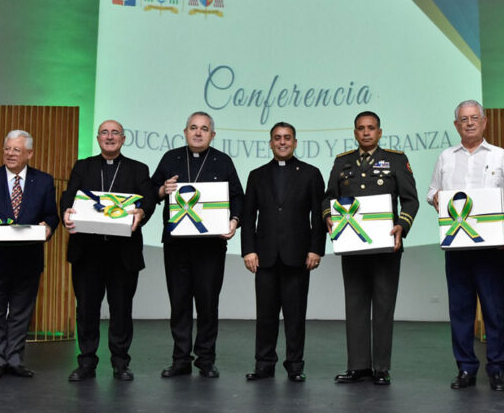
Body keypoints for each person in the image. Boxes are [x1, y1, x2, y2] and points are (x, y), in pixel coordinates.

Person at [426, 100, 504, 391]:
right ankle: (465, 368)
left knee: (494, 310)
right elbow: (431, 192)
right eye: (463, 119)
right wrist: (437, 198)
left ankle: (497, 368)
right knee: (461, 311)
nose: (469, 123)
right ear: (456, 125)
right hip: (457, 247)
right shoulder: (445, 157)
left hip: (492, 248)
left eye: (474, 118)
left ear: (484, 121)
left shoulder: (502, 157)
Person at [323, 111, 418, 385]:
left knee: (384, 307)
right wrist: (328, 216)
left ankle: (381, 367)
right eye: (361, 128)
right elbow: (329, 197)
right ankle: (358, 366)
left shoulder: (396, 160)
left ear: (379, 132)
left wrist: (403, 225)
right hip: (352, 246)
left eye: (371, 128)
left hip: (387, 246)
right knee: (355, 306)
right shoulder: (342, 162)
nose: (366, 132)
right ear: (355, 133)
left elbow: (410, 200)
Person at [59, 120, 156, 382]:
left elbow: (148, 198)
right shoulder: (83, 166)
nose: (110, 137)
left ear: (124, 139)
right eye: (105, 132)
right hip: (87, 252)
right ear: (98, 138)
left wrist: (142, 211)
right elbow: (69, 195)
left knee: (121, 310)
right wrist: (65, 211)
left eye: (115, 133)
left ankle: (121, 363)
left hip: (122, 254)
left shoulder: (138, 169)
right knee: (86, 310)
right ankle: (86, 362)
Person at [152, 111, 244, 379]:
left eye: (204, 129)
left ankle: (206, 359)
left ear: (212, 135)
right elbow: (151, 189)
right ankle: (180, 359)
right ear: (185, 131)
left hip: (210, 248)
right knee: (179, 303)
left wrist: (234, 221)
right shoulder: (171, 159)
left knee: (207, 304)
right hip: (177, 246)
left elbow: (238, 197)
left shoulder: (223, 161)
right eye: (193, 127)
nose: (198, 132)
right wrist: (161, 190)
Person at [0, 129, 59, 379]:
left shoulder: (45, 181)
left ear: (29, 153)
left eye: (16, 149)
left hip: (29, 259)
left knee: (21, 313)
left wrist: (48, 227)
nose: (10, 153)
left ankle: (15, 359)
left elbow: (51, 215)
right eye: (7, 148)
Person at [240, 122, 326, 382]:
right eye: (277, 138)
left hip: (298, 256)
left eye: (287, 138)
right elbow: (248, 215)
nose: (282, 142)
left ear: (295, 142)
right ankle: (264, 365)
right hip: (264, 257)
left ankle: (295, 366)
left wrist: (316, 249)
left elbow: (318, 217)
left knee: (295, 315)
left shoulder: (311, 174)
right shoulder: (256, 175)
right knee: (265, 316)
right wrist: (248, 251)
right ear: (270, 143)